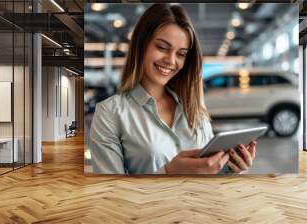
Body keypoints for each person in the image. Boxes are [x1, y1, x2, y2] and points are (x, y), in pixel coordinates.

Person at [89, 3, 257, 175]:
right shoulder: (110, 114)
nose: (171, 60)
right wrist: (168, 173)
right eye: (162, 47)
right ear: (141, 45)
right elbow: (111, 194)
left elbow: (209, 173)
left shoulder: (194, 109)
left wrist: (232, 168)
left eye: (181, 54)